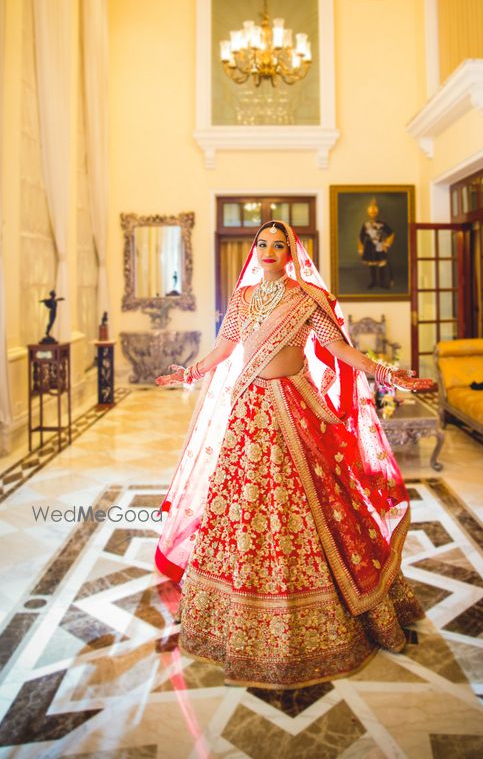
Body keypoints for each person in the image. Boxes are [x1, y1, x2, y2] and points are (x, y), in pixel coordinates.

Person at [154, 221, 433, 688]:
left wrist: (389, 375)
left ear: (291, 254)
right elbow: (224, 350)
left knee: (308, 505)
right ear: (255, 251)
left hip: (296, 407)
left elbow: (340, 350)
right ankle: (233, 616)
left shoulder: (307, 299)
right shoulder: (241, 301)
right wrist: (188, 373)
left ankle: (329, 609)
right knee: (244, 506)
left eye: (278, 245)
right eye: (262, 244)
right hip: (249, 412)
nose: (268, 250)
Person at [358, 198, 394, 289]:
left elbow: (391, 233)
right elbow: (361, 236)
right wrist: (361, 247)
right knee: (372, 265)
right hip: (369, 246)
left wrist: (386, 244)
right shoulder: (365, 224)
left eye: (374, 212)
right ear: (369, 213)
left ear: (376, 213)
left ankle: (382, 282)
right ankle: (373, 281)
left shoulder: (382, 224)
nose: (373, 214)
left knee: (381, 264)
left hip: (379, 245)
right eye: (371, 213)